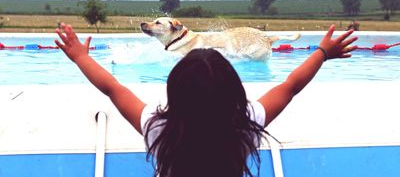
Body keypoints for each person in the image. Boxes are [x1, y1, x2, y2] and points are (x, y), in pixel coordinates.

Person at [55, 23, 357, 177]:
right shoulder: (245, 125)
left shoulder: (160, 129)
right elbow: (290, 86)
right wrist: (321, 53)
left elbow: (113, 88)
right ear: (235, 93)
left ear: (174, 91)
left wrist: (80, 57)